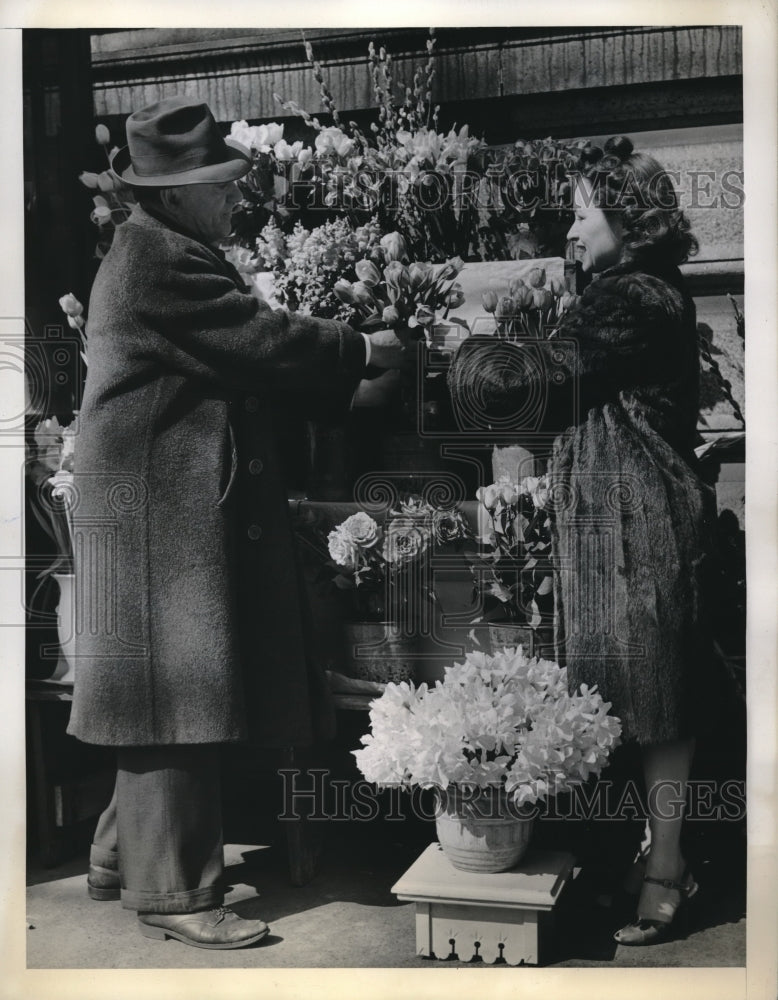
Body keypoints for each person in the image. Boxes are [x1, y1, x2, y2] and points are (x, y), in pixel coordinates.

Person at [67, 96, 405, 949]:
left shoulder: (160, 245)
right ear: (174, 192)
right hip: (153, 516)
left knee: (155, 694)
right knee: (173, 694)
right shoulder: (161, 257)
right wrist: (363, 349)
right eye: (221, 183)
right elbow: (259, 337)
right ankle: (175, 894)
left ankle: (121, 856)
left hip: (149, 507)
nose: (235, 195)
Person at [448, 136, 719, 945]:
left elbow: (536, 381)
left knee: (659, 703)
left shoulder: (633, 297)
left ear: (626, 220)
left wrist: (460, 355)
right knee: (620, 700)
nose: (570, 229)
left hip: (641, 524)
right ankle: (635, 859)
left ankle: (667, 867)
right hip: (614, 523)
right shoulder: (626, 289)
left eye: (581, 213)